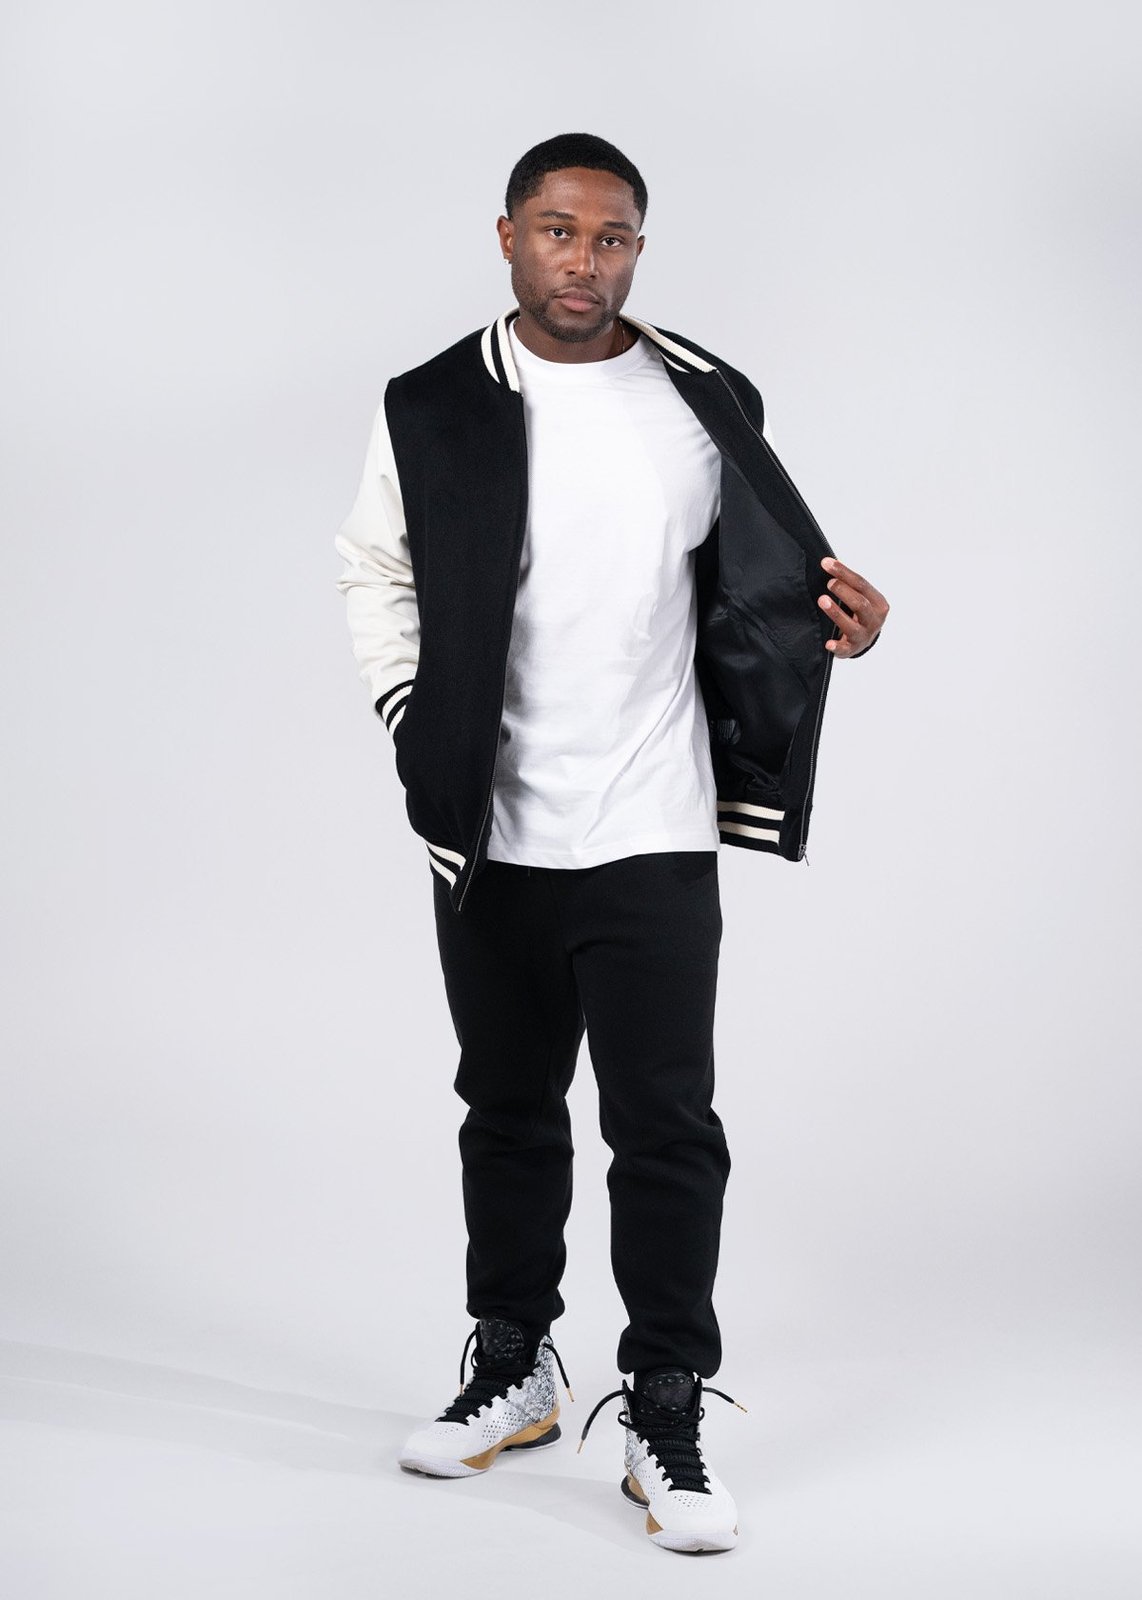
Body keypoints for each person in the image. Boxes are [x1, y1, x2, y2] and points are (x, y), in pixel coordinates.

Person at [334, 132, 888, 1555]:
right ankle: (515, 1364)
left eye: (613, 236)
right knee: (506, 1109)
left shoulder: (706, 397)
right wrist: (413, 719)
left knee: (666, 1127)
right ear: (507, 236)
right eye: (558, 231)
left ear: (638, 247)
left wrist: (843, 628)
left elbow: (765, 582)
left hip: (652, 821)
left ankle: (664, 1404)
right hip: (491, 829)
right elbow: (375, 568)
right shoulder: (430, 405)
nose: (584, 261)